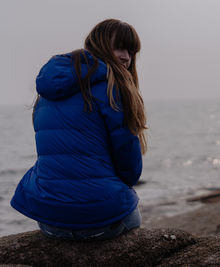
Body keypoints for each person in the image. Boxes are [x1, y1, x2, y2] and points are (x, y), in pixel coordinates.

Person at [10, 19, 147, 241]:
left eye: (131, 51)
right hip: (101, 223)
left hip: (49, 221)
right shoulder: (113, 88)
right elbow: (129, 168)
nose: (126, 57)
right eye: (119, 47)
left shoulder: (46, 92)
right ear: (99, 45)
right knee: (132, 213)